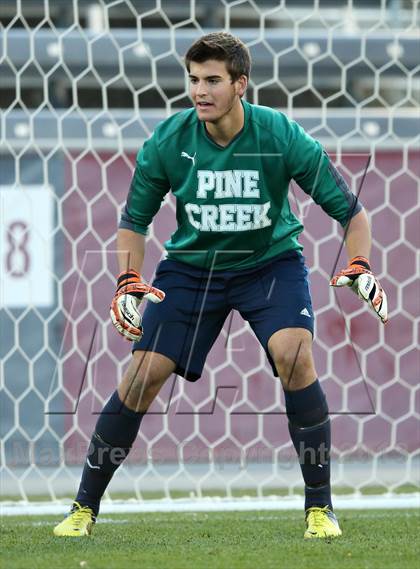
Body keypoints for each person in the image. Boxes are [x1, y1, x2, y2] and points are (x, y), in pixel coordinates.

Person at [53, 32, 387, 539]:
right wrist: (128, 279)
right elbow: (133, 224)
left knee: (295, 355)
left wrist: (360, 263)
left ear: (240, 84)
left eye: (212, 80)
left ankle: (320, 509)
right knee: (141, 377)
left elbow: (351, 212)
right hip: (191, 270)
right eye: (193, 79)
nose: (199, 91)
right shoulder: (168, 141)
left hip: (269, 264)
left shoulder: (279, 135)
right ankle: (82, 508)